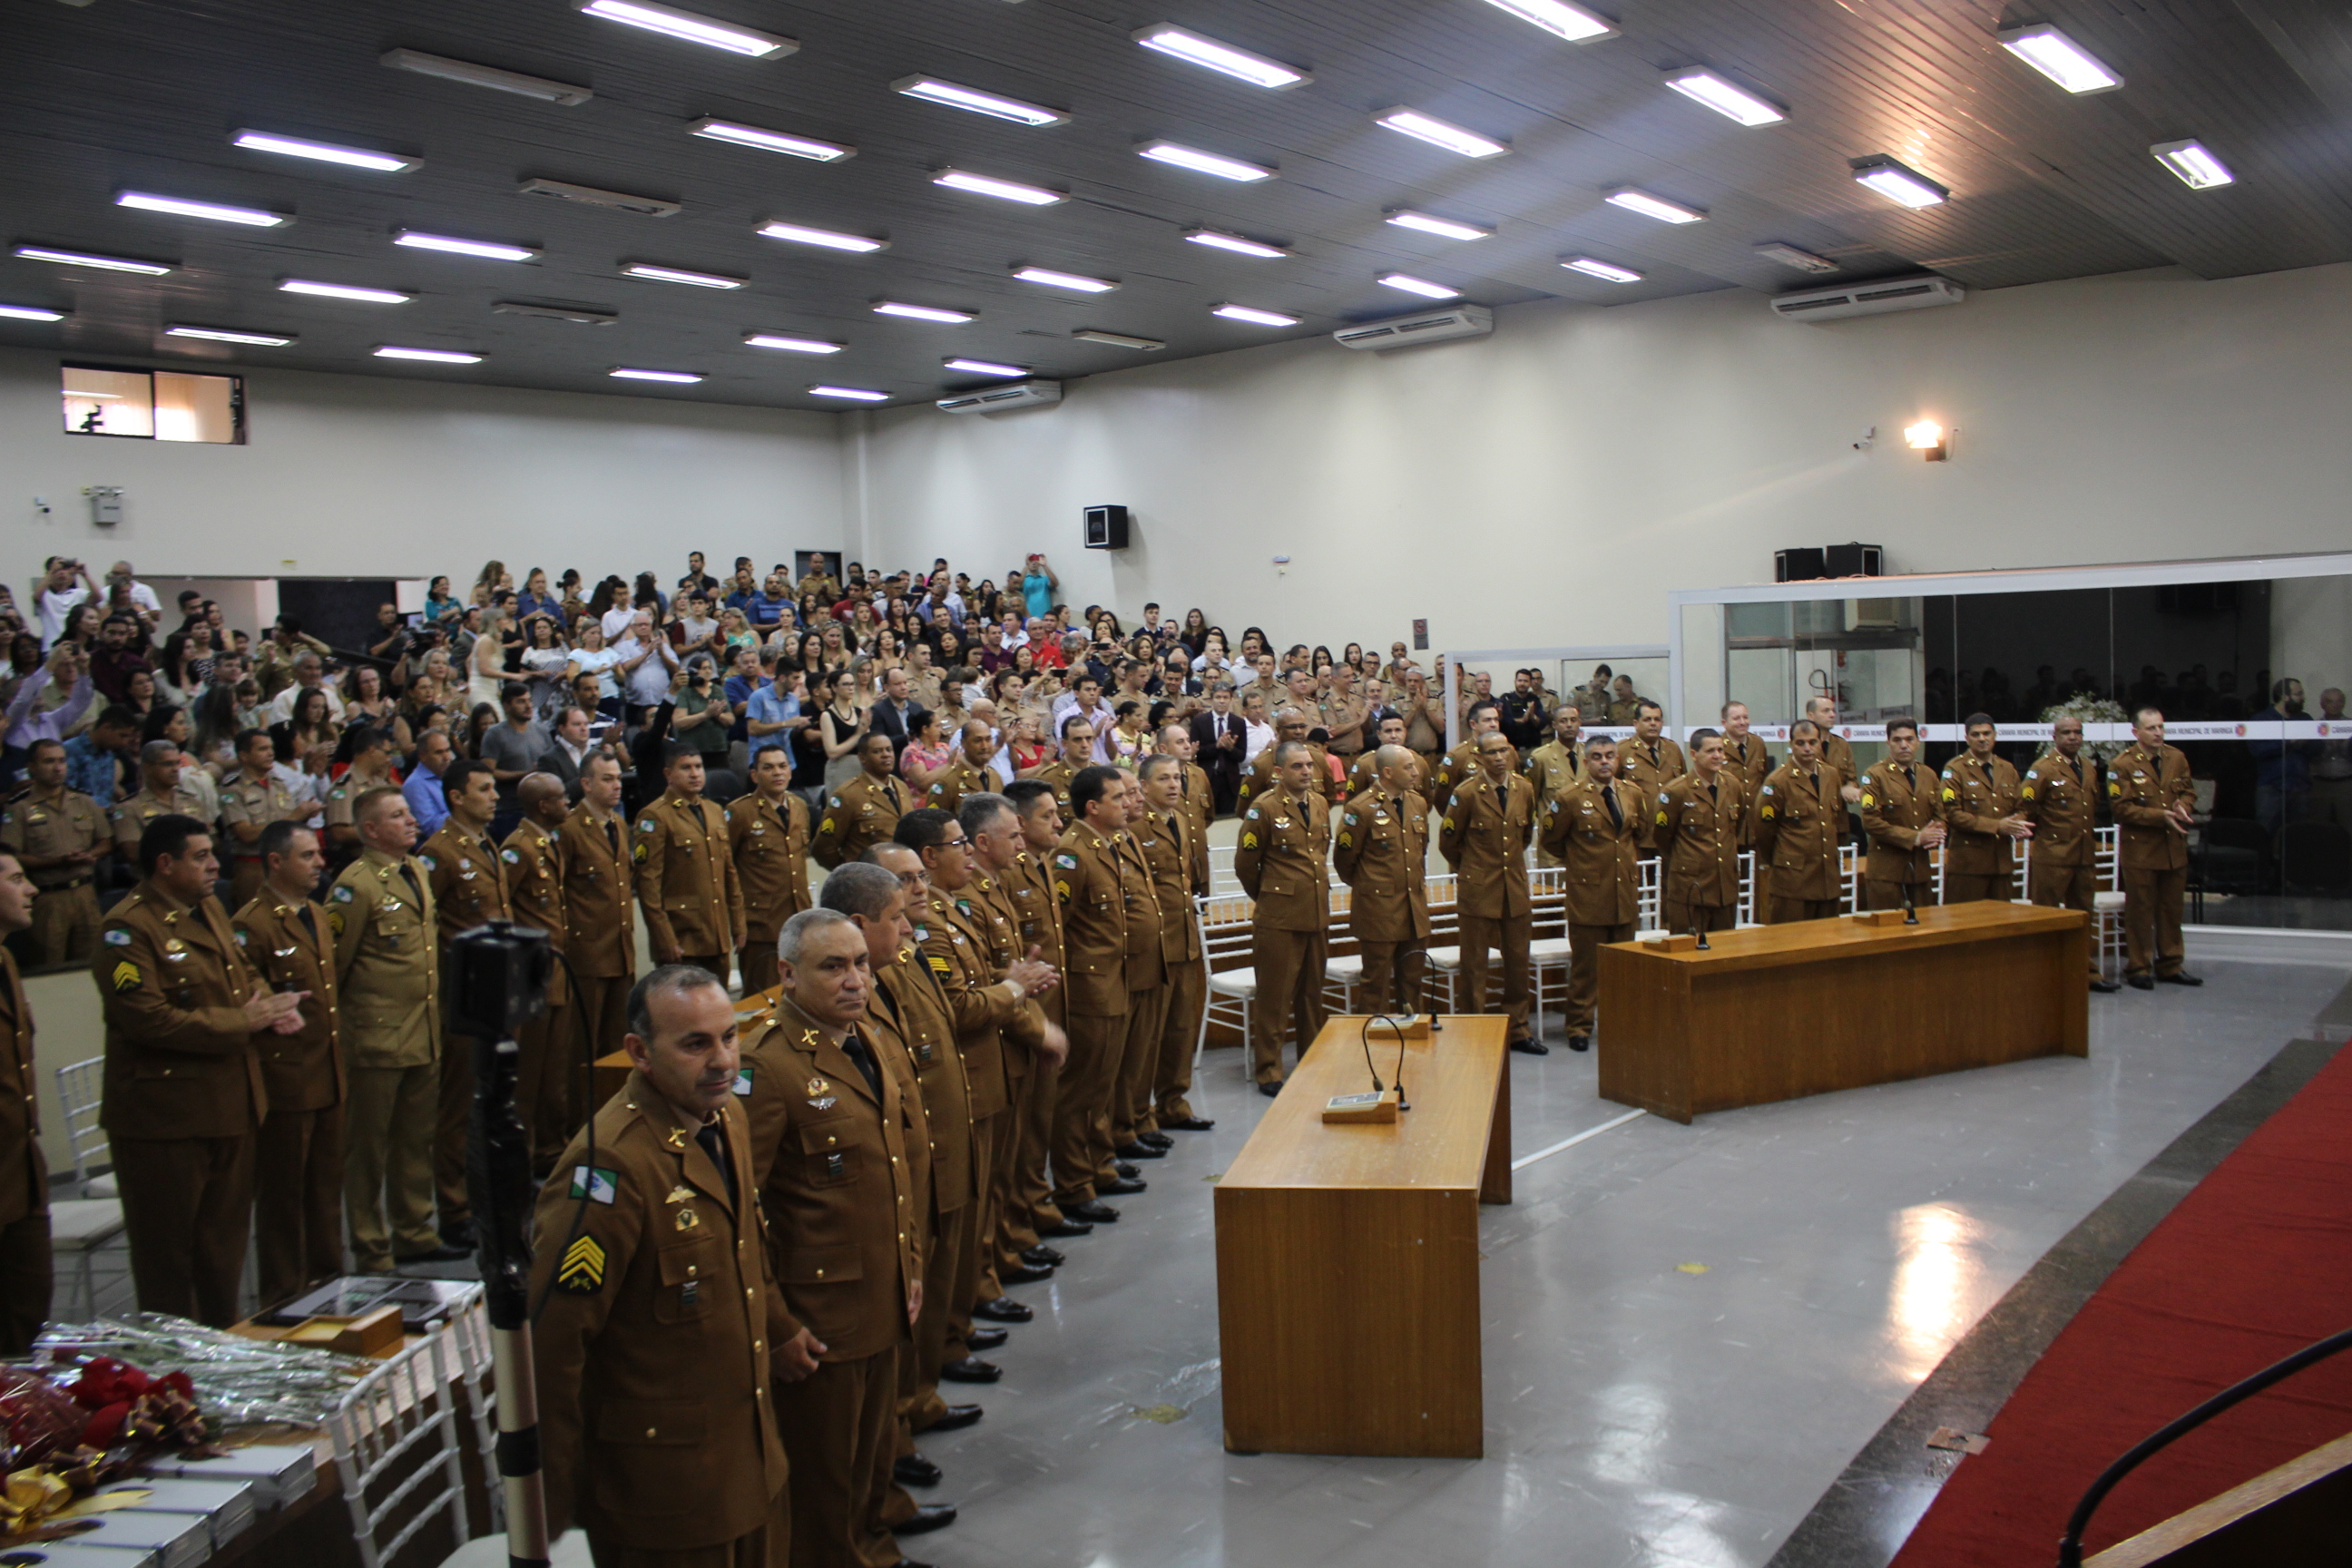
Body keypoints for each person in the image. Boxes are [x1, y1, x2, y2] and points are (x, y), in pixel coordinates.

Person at [530, 965, 792, 1567]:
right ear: (640, 1052)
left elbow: (744, 1250)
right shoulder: (609, 1170)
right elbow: (553, 1347)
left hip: (747, 1456)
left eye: (729, 1037)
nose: (723, 1060)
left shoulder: (724, 1117)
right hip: (664, 1493)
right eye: (695, 1044)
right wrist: (552, 1507)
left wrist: (782, 1330)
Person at [740, 913, 933, 1568]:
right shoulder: (766, 1066)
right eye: (833, 967)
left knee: (871, 1459)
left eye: (860, 963)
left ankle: (874, 1550)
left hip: (880, 1293)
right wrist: (776, 1325)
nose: (855, 980)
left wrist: (910, 1266)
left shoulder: (864, 1037)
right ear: (787, 974)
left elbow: (893, 1170)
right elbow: (742, 1214)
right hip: (819, 1314)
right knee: (826, 1478)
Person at [98, 815, 305, 1324]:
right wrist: (245, 1020)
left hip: (230, 1103)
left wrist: (271, 1004)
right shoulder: (125, 929)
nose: (216, 864)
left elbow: (243, 970)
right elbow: (148, 1019)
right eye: (200, 856)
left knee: (223, 1248)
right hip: (166, 1118)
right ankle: (174, 1362)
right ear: (164, 864)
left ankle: (222, 1343)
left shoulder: (209, 906)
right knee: (170, 1256)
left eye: (213, 853)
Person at [828, 857, 982, 1480]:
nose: (910, 924)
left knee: (927, 1290)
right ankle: (890, 1443)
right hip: (874, 1203)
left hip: (923, 1160)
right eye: (896, 915)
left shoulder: (899, 966)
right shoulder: (844, 1009)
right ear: (858, 924)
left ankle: (914, 1406)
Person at [329, 788, 457, 1270]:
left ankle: (415, 1232)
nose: (410, 820)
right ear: (370, 830)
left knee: (415, 1140)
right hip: (376, 1037)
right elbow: (335, 966)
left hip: (422, 1028)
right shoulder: (354, 886)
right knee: (367, 1149)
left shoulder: (417, 870)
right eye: (397, 815)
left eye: (408, 812)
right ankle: (371, 1246)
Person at [231, 821, 346, 1306]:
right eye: (307, 856)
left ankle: (330, 1283)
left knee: (325, 1191)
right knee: (284, 1196)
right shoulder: (251, 924)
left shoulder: (316, 912)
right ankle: (283, 1296)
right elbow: (248, 990)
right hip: (287, 1079)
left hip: (328, 1071)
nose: (320, 862)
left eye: (318, 854)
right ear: (275, 862)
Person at [1049, 766, 1150, 1215]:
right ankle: (1074, 1184)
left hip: (1114, 979)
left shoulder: (1107, 844)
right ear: (1092, 807)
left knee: (1102, 1086)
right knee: (1080, 1090)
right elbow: (1059, 928)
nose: (1128, 803)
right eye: (1117, 798)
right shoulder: (1072, 854)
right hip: (1090, 987)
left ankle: (1100, 1164)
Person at [419, 759, 510, 1250]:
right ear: (456, 797)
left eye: (495, 788)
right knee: (457, 1105)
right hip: (462, 993)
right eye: (484, 789)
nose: (495, 797)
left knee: (491, 1099)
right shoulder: (439, 853)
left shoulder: (486, 844)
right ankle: (453, 1209)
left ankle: (486, 1195)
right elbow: (428, 925)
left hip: (494, 988)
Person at [1232, 740, 1332, 1093]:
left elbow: (1320, 851)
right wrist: (1272, 897)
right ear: (1279, 772)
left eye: (1309, 765)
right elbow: (1245, 866)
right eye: (1297, 766)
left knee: (1312, 996)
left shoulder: (1319, 803)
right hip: (1279, 918)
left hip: (1316, 912)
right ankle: (1269, 1070)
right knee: (1275, 998)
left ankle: (1310, 1062)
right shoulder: (1264, 808)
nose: (1306, 771)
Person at [1540, 736, 1646, 1054]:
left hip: (1623, 892)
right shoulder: (1570, 797)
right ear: (1586, 763)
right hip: (1589, 894)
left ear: (1618, 759)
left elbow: (1639, 833)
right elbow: (1551, 840)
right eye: (1597, 757)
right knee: (1586, 968)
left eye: (1610, 756)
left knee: (1624, 966)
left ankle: (1621, 1023)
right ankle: (1579, 1027)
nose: (1605, 762)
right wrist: (1581, 862)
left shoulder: (1631, 793)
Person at [1440, 730, 1542, 1053]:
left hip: (1514, 888)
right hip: (1479, 888)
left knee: (1518, 961)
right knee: (1474, 965)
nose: (1499, 758)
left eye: (1503, 751)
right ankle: (1475, 1031)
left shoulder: (1524, 788)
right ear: (1480, 757)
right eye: (1492, 753)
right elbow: (1449, 843)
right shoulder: (1466, 793)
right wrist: (1475, 869)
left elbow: (1524, 836)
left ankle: (1518, 1030)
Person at [504, 773, 577, 1171]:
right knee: (529, 1074)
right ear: (543, 806)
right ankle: (523, 1155)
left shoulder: (548, 842)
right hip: (532, 976)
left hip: (557, 972)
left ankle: (551, 1150)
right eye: (562, 798)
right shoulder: (517, 849)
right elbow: (504, 909)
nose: (568, 803)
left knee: (555, 1070)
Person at [635, 740, 747, 983]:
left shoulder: (715, 811)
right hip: (682, 937)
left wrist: (738, 925)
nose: (695, 774)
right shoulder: (655, 816)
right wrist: (665, 939)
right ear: (668, 774)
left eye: (699, 766)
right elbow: (648, 885)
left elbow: (729, 872)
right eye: (686, 768)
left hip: (716, 933)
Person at [2022, 716, 2118, 993]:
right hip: (2053, 855)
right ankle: (2045, 974)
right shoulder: (2042, 769)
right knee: (2047, 916)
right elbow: (2026, 806)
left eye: (2077, 732)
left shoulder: (2087, 767)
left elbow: (2091, 806)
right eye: (2066, 732)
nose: (2073, 737)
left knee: (2083, 915)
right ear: (2055, 737)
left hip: (2083, 854)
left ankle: (2085, 972)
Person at [1334, 744, 1431, 1018]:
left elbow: (1420, 850)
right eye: (1408, 767)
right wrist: (1372, 887)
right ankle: (1371, 1038)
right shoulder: (1360, 808)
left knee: (1413, 981)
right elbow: (1344, 861)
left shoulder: (1417, 803)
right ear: (1387, 772)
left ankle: (1412, 1035)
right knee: (1375, 984)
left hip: (1414, 907)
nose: (1416, 773)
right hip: (1378, 910)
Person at [2111, 709, 2201, 990]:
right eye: (2151, 728)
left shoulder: (2176, 758)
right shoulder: (2122, 764)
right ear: (2136, 732)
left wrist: (2183, 806)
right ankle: (2139, 966)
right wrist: (2160, 816)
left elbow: (2188, 791)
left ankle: (2171, 964)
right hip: (2141, 850)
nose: (2158, 733)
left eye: (2161, 727)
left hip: (2173, 848)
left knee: (2171, 909)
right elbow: (2121, 809)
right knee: (2140, 911)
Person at [559, 749, 637, 1064]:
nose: (617, 785)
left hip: (621, 949)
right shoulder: (569, 829)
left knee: (619, 1043)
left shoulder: (618, 823)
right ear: (586, 784)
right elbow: (558, 890)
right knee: (584, 1045)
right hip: (588, 954)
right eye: (607, 779)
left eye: (618, 778)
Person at [2, 738, 108, 966]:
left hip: (85, 893)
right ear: (31, 767)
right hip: (48, 897)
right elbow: (11, 856)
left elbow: (106, 840)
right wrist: (58, 862)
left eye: (62, 761)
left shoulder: (83, 801)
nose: (58, 768)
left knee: (93, 963)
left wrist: (92, 855)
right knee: (49, 966)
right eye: (49, 761)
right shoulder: (19, 807)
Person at [0, 850, 48, 1353]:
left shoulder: (7, 959)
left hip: (21, 1167)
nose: (31, 889)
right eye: (17, 880)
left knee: (29, 1316)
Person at [729, 742, 813, 994]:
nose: (777, 772)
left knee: (801, 993)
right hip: (761, 924)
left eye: (782, 766)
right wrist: (736, 922)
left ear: (790, 771)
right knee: (764, 997)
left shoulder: (799, 806)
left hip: (798, 919)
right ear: (755, 775)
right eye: (768, 768)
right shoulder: (740, 812)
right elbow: (725, 869)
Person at [1751, 720, 1845, 923]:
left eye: (1812, 742)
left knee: (1830, 936)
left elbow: (1834, 819)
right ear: (1791, 744)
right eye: (1800, 743)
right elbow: (1764, 832)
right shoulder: (1777, 781)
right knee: (1791, 937)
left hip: (1827, 878)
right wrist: (1780, 860)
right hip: (1793, 880)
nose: (1807, 749)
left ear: (1820, 743)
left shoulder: (1831, 775)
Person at [1656, 730, 1743, 936]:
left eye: (1720, 750)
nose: (1717, 756)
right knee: (1687, 947)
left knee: (1725, 947)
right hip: (1690, 888)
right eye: (1710, 751)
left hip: (1724, 886)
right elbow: (1662, 836)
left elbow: (1736, 827)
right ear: (1694, 754)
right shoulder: (1676, 790)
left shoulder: (1732, 785)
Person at [1858, 718, 1947, 912]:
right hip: (1886, 873)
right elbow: (1871, 822)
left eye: (1909, 739)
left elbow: (1940, 815)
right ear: (1888, 742)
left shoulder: (1928, 775)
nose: (1904, 745)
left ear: (1918, 741)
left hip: (1920, 870)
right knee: (1887, 927)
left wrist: (1936, 834)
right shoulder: (1875, 776)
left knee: (1923, 924)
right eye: (1897, 740)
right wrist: (1916, 837)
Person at [1940, 713, 2030, 903]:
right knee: (1964, 918)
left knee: (2001, 917)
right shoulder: (1955, 769)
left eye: (1987, 733)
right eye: (1976, 734)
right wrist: (1997, 826)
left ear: (1994, 736)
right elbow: (1952, 814)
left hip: (2002, 863)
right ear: (1967, 738)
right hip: (1969, 865)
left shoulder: (2007, 769)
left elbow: (2021, 807)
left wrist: (2018, 824)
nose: (1982, 739)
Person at [812, 730, 907, 869]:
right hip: (870, 876)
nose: (886, 755)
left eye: (889, 750)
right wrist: (851, 872)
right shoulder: (848, 795)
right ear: (862, 758)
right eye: (877, 751)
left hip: (904, 873)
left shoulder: (901, 787)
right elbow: (823, 848)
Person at [478, 681, 548, 839]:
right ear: (507, 706)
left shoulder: (542, 731)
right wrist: (525, 774)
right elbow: (488, 772)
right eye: (521, 701)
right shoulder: (494, 734)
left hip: (540, 808)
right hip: (509, 811)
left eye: (529, 700)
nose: (528, 706)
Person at [1523, 704, 1587, 867]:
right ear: (1554, 725)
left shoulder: (1590, 755)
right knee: (1555, 883)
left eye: (1573, 720)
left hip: (1585, 837)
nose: (1569, 725)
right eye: (1563, 721)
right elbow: (1529, 798)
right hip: (1553, 838)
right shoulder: (1541, 757)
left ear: (1580, 723)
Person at [1426, 697, 1500, 821]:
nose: (1493, 724)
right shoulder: (1458, 756)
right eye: (1487, 720)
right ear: (1473, 724)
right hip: (1472, 825)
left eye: (1496, 719)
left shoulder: (1508, 752)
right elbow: (1442, 799)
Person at [1617, 701, 1688, 808]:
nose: (1653, 723)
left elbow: (1684, 784)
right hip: (1638, 815)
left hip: (1669, 815)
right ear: (1636, 724)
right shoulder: (1622, 750)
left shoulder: (1673, 749)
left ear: (1662, 723)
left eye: (1657, 719)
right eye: (1647, 719)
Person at [1804, 696, 1865, 804]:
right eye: (1826, 711)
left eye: (1833, 711)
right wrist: (1838, 792)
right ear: (1811, 716)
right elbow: (1799, 782)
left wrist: (1850, 788)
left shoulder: (1842, 744)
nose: (1832, 715)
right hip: (1811, 809)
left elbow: (1851, 779)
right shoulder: (1803, 745)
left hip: (1837, 810)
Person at [402, 727, 454, 842]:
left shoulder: (450, 774)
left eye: (448, 750)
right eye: (439, 752)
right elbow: (430, 829)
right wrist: (462, 810)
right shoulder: (415, 784)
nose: (446, 757)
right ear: (422, 756)